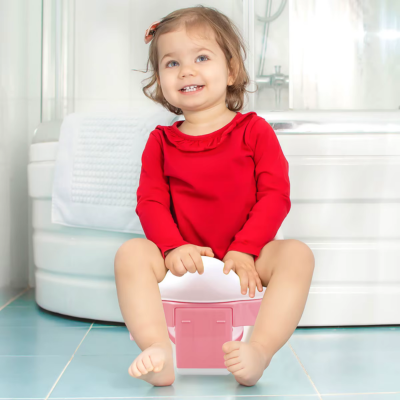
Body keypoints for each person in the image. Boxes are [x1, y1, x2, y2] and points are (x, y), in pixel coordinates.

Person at [114, 5, 315, 388]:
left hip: (248, 256)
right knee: (130, 254)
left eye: (201, 58)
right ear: (160, 80)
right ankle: (159, 350)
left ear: (232, 71)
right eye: (171, 63)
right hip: (182, 257)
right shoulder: (160, 142)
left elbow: (275, 195)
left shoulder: (255, 132)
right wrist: (172, 247)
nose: (186, 70)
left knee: (297, 255)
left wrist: (246, 248)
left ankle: (259, 350)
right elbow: (150, 203)